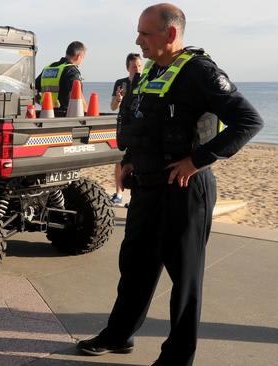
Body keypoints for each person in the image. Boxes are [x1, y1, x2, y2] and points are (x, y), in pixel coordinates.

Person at [77, 4, 263, 366]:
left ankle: (177, 357)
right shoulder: (150, 73)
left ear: (171, 34)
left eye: (145, 33)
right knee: (135, 267)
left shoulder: (200, 72)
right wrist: (130, 158)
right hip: (147, 188)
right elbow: (141, 121)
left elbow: (248, 122)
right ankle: (119, 335)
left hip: (184, 190)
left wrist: (197, 160)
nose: (137, 40)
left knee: (185, 278)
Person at [109, 53, 143, 206]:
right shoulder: (120, 83)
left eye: (140, 66)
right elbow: (112, 107)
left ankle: (135, 195)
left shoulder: (144, 82)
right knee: (119, 159)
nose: (137, 69)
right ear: (127, 68)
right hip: (123, 124)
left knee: (136, 159)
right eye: (134, 66)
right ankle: (118, 193)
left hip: (137, 125)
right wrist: (118, 99)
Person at [35, 41, 86, 115]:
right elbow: (78, 95)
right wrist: (88, 112)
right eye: (83, 58)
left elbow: (33, 90)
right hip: (64, 117)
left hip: (45, 114)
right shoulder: (71, 70)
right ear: (79, 56)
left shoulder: (48, 68)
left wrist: (43, 102)